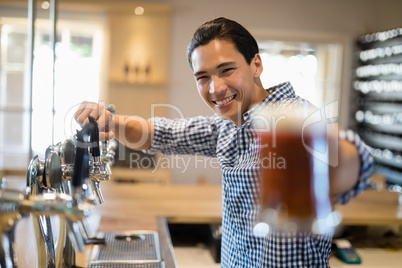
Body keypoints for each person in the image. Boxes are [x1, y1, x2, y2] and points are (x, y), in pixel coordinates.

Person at [75, 17, 373, 267]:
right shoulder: (226, 127)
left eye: (226, 70)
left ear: (256, 65)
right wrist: (112, 121)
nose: (215, 88)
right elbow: (159, 133)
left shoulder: (297, 119)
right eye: (202, 77)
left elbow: (354, 158)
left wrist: (334, 163)